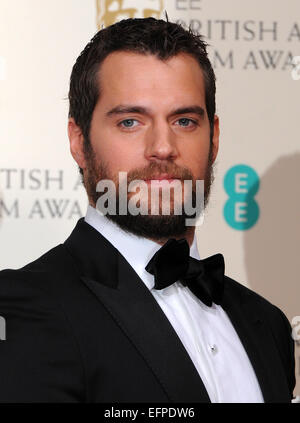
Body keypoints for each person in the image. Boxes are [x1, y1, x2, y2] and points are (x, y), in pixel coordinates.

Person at [0, 16, 296, 403]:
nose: (162, 146)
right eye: (130, 122)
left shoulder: (267, 324)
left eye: (185, 121)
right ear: (78, 140)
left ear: (215, 137)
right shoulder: (24, 307)